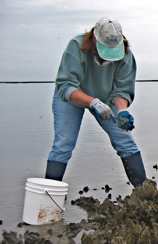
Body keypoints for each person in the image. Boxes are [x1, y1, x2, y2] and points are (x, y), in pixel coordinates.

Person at [45, 17, 146, 187]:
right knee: (63, 145)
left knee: (126, 141)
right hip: (72, 97)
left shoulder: (126, 55)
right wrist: (94, 103)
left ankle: (145, 194)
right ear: (94, 38)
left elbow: (121, 90)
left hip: (106, 98)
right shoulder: (75, 47)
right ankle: (47, 197)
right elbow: (66, 86)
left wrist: (122, 111)